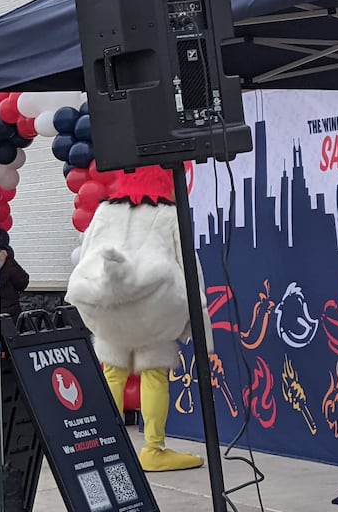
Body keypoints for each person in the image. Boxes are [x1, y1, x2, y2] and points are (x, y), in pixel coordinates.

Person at [66, 165, 211, 472]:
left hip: (109, 306)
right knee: (155, 373)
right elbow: (188, 267)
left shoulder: (105, 211)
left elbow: (87, 252)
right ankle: (153, 449)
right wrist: (199, 323)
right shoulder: (169, 214)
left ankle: (106, 446)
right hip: (151, 310)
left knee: (113, 372)